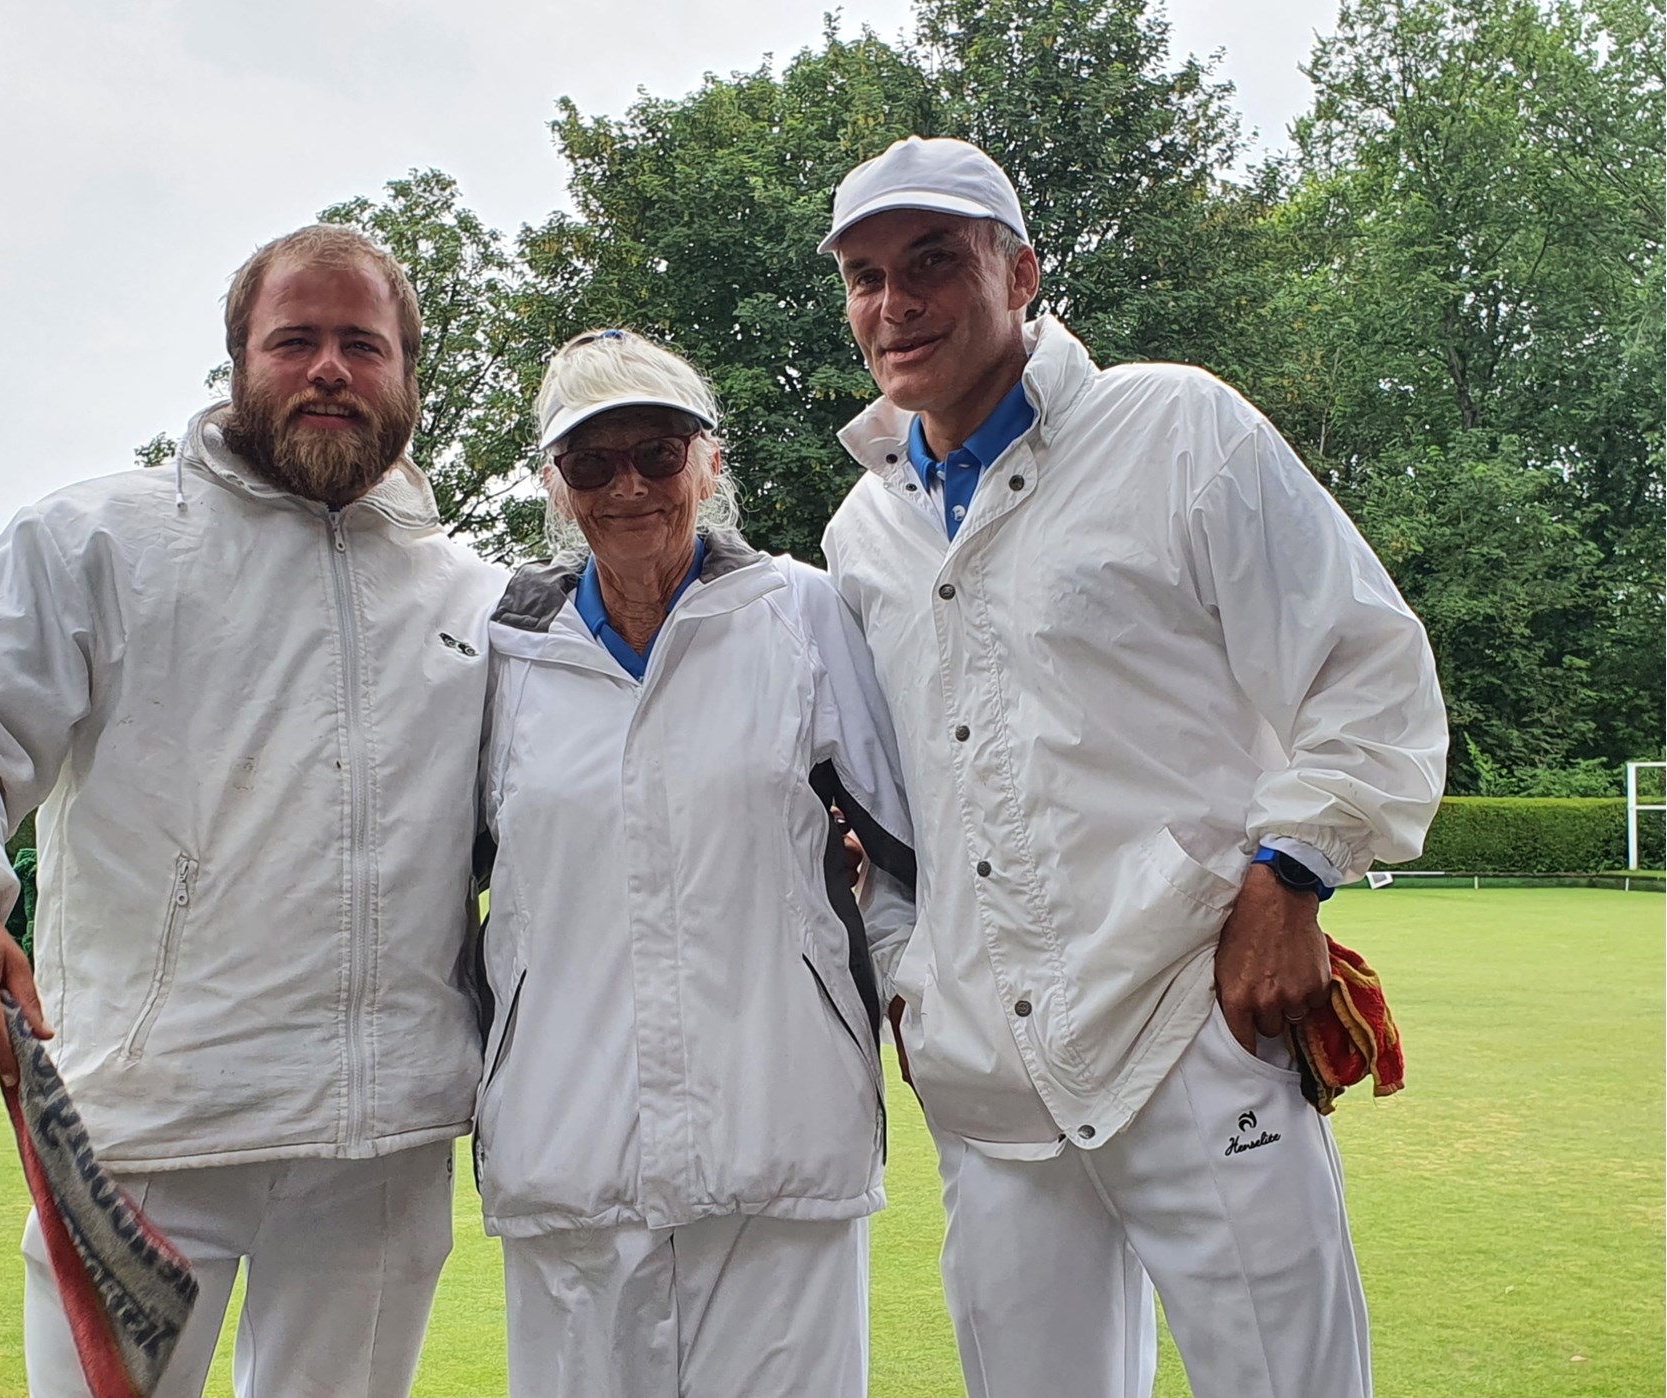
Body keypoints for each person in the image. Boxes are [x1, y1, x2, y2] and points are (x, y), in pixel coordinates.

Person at [817, 137, 1449, 1398]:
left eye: (935, 261)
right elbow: (878, 814)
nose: (897, 303)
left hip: (1197, 1028)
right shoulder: (862, 531)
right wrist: (909, 977)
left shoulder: (1175, 427)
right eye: (866, 274)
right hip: (990, 1078)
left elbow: (1366, 668)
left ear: (1023, 272)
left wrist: (1291, 880)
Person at [0, 225, 507, 1398]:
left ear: (409, 373)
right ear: (238, 365)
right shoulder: (97, 540)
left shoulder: (477, 594)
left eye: (363, 344)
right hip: (148, 1130)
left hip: (383, 1141)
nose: (328, 369)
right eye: (293, 339)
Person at [474, 329, 917, 1398]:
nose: (628, 485)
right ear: (554, 484)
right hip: (569, 1146)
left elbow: (915, 841)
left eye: (659, 454)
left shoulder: (802, 612)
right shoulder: (499, 651)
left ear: (709, 464)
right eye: (591, 461)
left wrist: (924, 999)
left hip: (780, 1135)